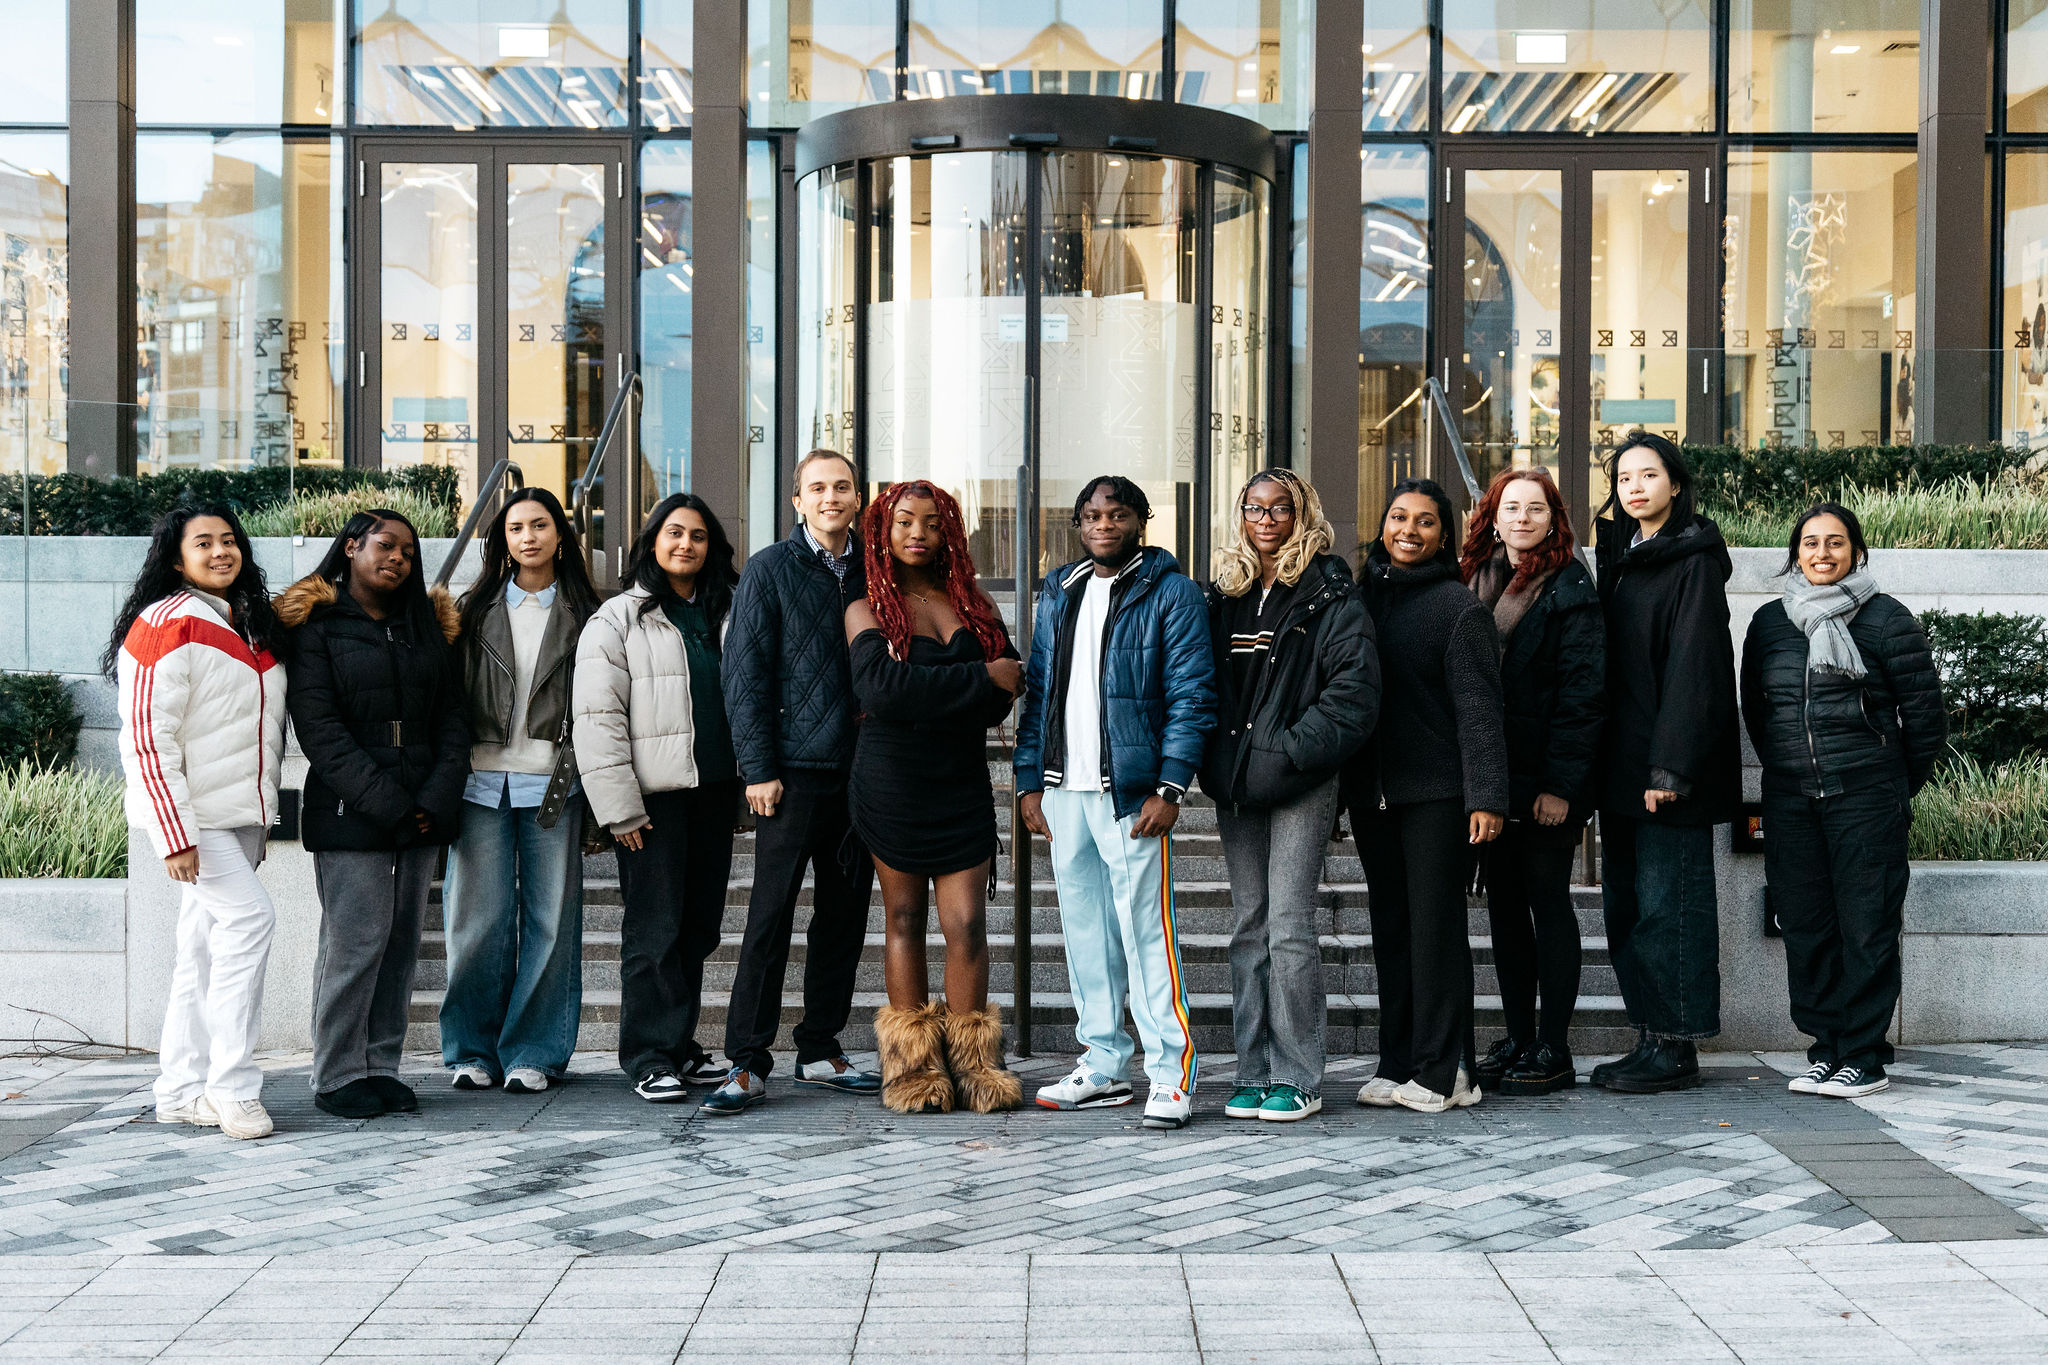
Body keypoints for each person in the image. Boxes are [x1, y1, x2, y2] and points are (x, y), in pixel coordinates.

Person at [1014, 475, 1217, 1130]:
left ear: (1140, 520)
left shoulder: (1172, 592)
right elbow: (1040, 690)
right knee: (1085, 933)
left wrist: (1171, 785)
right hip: (1064, 789)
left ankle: (1170, 1074)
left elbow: (1192, 692)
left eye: (1117, 513)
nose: (1104, 524)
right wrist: (1029, 780)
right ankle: (1103, 1063)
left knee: (1145, 933)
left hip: (1130, 793)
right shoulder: (1060, 590)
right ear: (1078, 524)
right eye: (1092, 515)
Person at [1741, 503, 1946, 1100]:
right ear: (1795, 553)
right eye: (1810, 543)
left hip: (1866, 798)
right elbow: (1758, 711)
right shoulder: (1771, 623)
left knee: (1866, 927)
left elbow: (1925, 721)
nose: (1822, 553)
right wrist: (1788, 769)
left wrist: (1889, 784)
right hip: (1792, 800)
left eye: (1835, 542)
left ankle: (1864, 1056)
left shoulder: (1887, 619)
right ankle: (1826, 1049)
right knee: (1807, 927)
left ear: (1856, 551)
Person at [277, 509, 468, 1120]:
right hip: (350, 810)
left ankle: (381, 1066)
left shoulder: (426, 628)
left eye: (408, 552)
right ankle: (337, 1073)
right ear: (351, 547)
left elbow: (453, 720)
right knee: (355, 943)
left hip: (422, 812)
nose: (398, 559)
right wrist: (390, 804)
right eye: (386, 546)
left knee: (401, 944)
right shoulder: (318, 626)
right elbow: (320, 732)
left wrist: (434, 799)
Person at [1202, 470, 1377, 1123]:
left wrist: (1293, 751)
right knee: (1248, 925)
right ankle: (1251, 1071)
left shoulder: (1330, 591)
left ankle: (1297, 1076)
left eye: (1280, 508)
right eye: (1255, 508)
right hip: (1238, 783)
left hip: (1301, 779)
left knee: (1289, 925)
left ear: (1302, 514)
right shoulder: (1225, 593)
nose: (1266, 519)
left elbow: (1353, 694)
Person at [109, 503, 287, 1142]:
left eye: (229, 540)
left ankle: (180, 1091)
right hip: (195, 820)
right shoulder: (166, 621)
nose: (220, 551)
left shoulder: (246, 621)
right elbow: (146, 736)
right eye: (203, 542)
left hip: (240, 815)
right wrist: (174, 834)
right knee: (250, 920)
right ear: (176, 557)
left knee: (202, 949)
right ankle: (233, 1088)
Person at [710, 450, 880, 1113]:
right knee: (770, 916)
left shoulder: (875, 568)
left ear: (858, 497)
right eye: (818, 488)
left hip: (859, 776)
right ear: (797, 501)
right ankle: (747, 1061)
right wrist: (758, 769)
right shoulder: (770, 568)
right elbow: (743, 674)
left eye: (842, 487)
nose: (830, 497)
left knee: (843, 918)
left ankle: (819, 1049)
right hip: (790, 776)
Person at [849, 481, 1026, 1114]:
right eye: (904, 522)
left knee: (968, 923)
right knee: (903, 919)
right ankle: (915, 1072)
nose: (917, 533)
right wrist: (978, 677)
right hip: (891, 783)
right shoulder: (865, 604)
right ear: (883, 531)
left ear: (948, 531)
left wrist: (960, 688)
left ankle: (976, 1069)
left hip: (959, 783)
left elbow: (1009, 688)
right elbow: (883, 692)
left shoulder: (973, 604)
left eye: (930, 522)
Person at [576, 494, 746, 1103]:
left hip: (714, 791)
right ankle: (649, 1055)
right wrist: (619, 808)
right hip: (654, 801)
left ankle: (679, 1045)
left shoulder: (728, 610)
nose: (686, 545)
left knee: (698, 928)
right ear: (652, 541)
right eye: (674, 533)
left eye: (698, 536)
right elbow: (597, 717)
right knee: (655, 930)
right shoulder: (618, 618)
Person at [1348, 478, 1508, 1114]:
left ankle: (1443, 1072)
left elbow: (1480, 712)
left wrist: (1486, 797)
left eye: (1425, 521)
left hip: (1439, 796)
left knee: (1435, 933)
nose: (1408, 531)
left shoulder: (1457, 608)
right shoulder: (1360, 599)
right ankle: (1399, 1063)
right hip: (1374, 796)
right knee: (1391, 930)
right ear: (1382, 524)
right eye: (1398, 517)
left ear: (1445, 535)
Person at [1591, 432, 1741, 1094]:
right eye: (1624, 477)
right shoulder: (1623, 556)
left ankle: (1676, 1045)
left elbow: (1696, 669)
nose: (1635, 487)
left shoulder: (1693, 561)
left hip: (1665, 773)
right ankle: (1650, 1035)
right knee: (1628, 907)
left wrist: (1670, 770)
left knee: (1669, 909)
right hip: (1622, 766)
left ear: (1675, 484)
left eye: (1648, 475)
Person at [440, 488, 600, 1096]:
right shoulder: (471, 610)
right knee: (476, 922)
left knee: (550, 922)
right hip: (478, 782)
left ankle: (535, 1051)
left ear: (560, 535)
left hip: (556, 781)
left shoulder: (589, 613)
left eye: (539, 525)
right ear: (501, 540)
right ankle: (470, 1051)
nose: (528, 537)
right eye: (515, 528)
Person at [1459, 467, 1604, 1097]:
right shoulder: (1473, 578)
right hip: (1493, 779)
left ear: (1553, 519)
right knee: (1505, 911)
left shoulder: (1570, 585)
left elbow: (1584, 695)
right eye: (1511, 507)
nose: (1522, 518)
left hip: (1547, 781)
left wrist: (1562, 787)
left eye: (1535, 508)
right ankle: (1518, 1036)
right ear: (1493, 517)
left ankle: (1554, 1046)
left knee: (1548, 903)